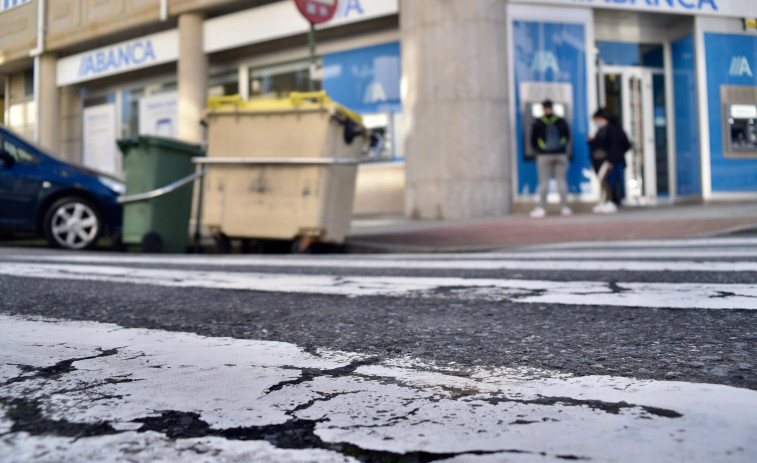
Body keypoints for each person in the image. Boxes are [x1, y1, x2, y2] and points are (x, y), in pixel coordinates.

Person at [529, 99, 572, 218]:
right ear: (552, 108)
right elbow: (567, 137)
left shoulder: (538, 122)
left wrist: (538, 150)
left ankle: (542, 208)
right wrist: (561, 147)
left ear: (543, 108)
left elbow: (532, 139)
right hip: (560, 155)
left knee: (544, 182)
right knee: (561, 181)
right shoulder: (561, 120)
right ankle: (565, 207)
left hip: (544, 156)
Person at [587, 109, 631, 214]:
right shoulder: (603, 130)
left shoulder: (611, 130)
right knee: (607, 181)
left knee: (610, 181)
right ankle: (609, 201)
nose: (596, 123)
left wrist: (612, 159)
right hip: (608, 160)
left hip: (612, 160)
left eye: (596, 120)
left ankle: (613, 201)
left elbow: (616, 146)